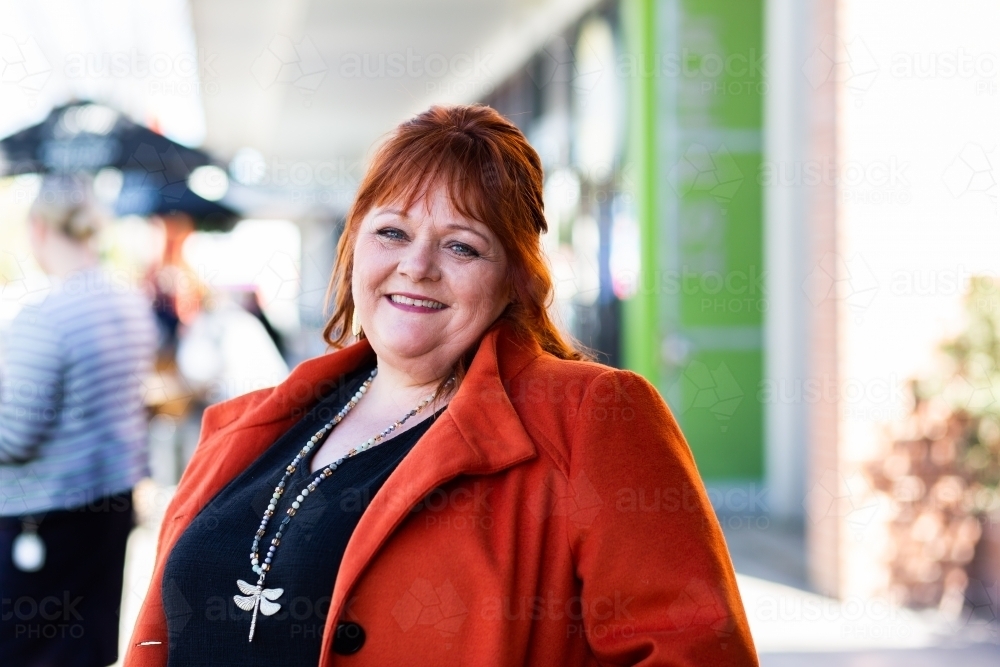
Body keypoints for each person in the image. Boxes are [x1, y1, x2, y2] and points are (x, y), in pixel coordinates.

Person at [125, 105, 757, 666]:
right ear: (354, 250)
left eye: (462, 247)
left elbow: (697, 654)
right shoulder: (246, 425)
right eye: (392, 232)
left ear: (515, 278)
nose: (416, 267)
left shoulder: (593, 418)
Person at [0, 175, 158, 667]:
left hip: (41, 523)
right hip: (108, 510)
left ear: (39, 229)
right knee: (85, 650)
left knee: (24, 653)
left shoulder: (43, 319)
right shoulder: (132, 306)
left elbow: (12, 439)